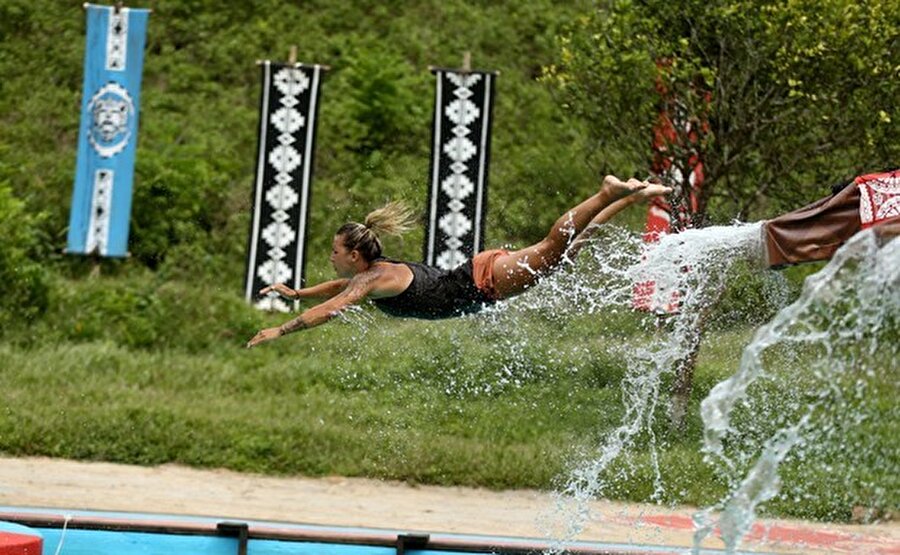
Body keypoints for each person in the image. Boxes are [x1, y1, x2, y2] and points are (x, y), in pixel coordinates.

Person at [246, 175, 672, 348]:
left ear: (354, 256)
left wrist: (280, 328)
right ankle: (627, 200)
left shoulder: (369, 280)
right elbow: (338, 291)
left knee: (549, 249)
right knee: (563, 257)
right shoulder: (375, 273)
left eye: (334, 251)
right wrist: (299, 291)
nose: (331, 257)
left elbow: (334, 307)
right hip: (481, 275)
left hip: (482, 282)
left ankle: (606, 193)